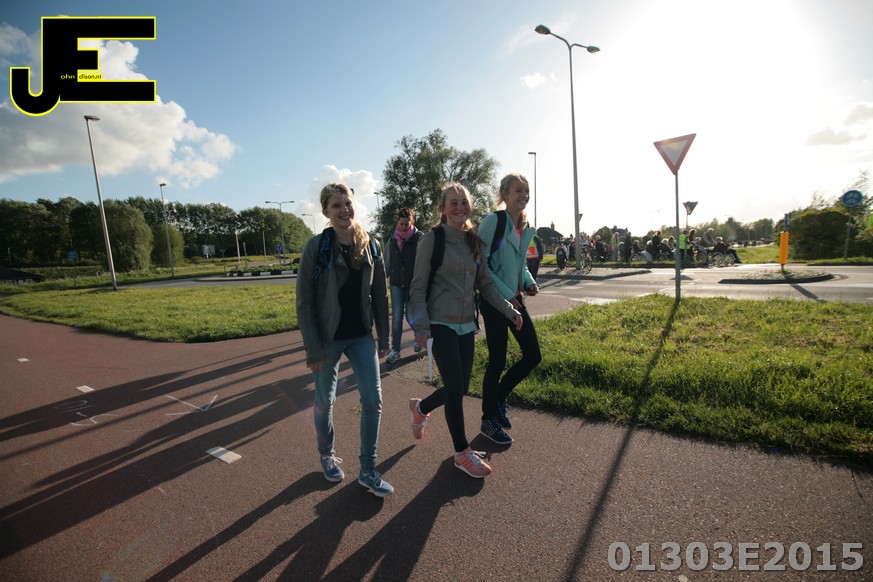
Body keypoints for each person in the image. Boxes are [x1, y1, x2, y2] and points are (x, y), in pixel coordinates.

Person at [407, 183, 522, 478]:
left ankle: (421, 408)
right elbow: (417, 287)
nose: (460, 207)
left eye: (464, 202)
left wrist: (509, 310)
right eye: (454, 203)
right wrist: (421, 326)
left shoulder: (473, 242)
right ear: (442, 209)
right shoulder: (432, 239)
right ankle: (461, 453)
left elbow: (485, 284)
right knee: (456, 389)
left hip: (466, 324)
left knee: (459, 387)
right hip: (440, 322)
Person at [295, 183, 393, 497]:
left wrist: (384, 335)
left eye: (347, 203)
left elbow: (380, 295)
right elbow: (304, 302)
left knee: (373, 401)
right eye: (336, 205)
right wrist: (313, 348)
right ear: (326, 211)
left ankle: (368, 470)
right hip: (327, 339)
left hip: (361, 335)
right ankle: (326, 453)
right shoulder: (316, 247)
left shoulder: (370, 244)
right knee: (325, 400)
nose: (344, 210)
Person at [477, 173, 542, 444]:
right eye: (518, 190)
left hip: (515, 299)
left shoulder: (523, 226)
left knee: (533, 355)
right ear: (505, 194)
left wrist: (528, 282)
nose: (524, 195)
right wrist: (506, 295)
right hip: (495, 302)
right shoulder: (493, 222)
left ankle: (499, 397)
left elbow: (520, 265)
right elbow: (481, 265)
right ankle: (488, 420)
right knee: (497, 361)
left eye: (526, 190)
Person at [385, 207, 422, 364]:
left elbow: (424, 261)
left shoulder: (419, 238)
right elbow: (387, 261)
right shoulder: (392, 238)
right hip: (396, 283)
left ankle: (420, 337)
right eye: (401, 224)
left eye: (407, 224)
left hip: (413, 283)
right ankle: (396, 350)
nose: (404, 227)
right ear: (398, 222)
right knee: (397, 317)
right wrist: (382, 279)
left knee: (411, 316)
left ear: (412, 222)